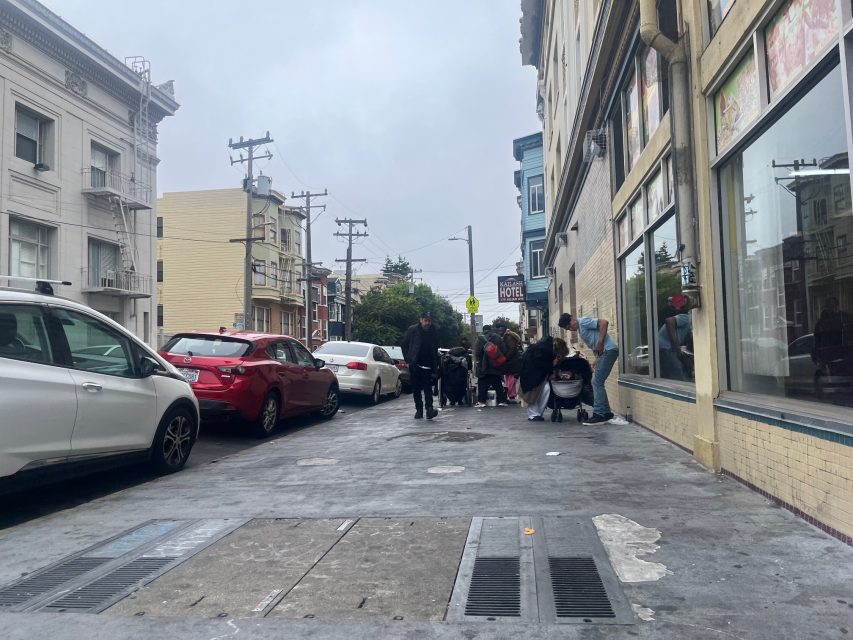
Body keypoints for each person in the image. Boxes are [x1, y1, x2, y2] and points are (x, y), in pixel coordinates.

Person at [559, 312, 618, 425]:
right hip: (604, 353)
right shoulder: (581, 329)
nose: (571, 329)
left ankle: (600, 414)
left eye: (570, 326)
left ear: (572, 319)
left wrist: (600, 342)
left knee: (596, 382)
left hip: (609, 350)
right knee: (596, 381)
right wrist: (597, 358)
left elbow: (604, 323)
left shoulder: (583, 322)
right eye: (568, 329)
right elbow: (595, 344)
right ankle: (606, 413)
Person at [401, 311, 439, 420]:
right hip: (415, 364)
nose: (427, 323)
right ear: (421, 320)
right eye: (426, 320)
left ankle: (429, 409)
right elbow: (404, 344)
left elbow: (436, 346)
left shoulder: (433, 331)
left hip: (428, 365)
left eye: (429, 321)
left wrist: (435, 362)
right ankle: (419, 410)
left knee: (428, 388)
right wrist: (408, 360)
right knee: (416, 388)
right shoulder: (412, 330)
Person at [520, 336, 569, 420]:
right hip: (532, 375)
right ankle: (534, 414)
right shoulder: (545, 348)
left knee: (543, 390)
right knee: (539, 391)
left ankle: (536, 413)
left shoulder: (544, 346)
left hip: (531, 373)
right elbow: (540, 363)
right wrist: (552, 364)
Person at [474, 325, 508, 407]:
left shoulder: (480, 339)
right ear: (491, 330)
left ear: (483, 330)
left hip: (483, 366)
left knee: (482, 385)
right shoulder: (497, 337)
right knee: (498, 384)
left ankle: (482, 401)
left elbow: (478, 352)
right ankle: (501, 401)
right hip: (496, 365)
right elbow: (504, 350)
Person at [494, 319, 523, 403]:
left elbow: (512, 349)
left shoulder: (508, 337)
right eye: (498, 328)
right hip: (510, 362)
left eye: (500, 328)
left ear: (504, 329)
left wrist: (505, 357)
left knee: (510, 379)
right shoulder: (506, 336)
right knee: (509, 379)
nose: (499, 330)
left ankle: (511, 395)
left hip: (511, 362)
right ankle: (511, 394)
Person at [659, 311, 692, 381]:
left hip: (665, 348)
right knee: (677, 376)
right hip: (665, 347)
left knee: (668, 378)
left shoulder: (689, 327)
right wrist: (676, 347)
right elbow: (669, 321)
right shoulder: (687, 318)